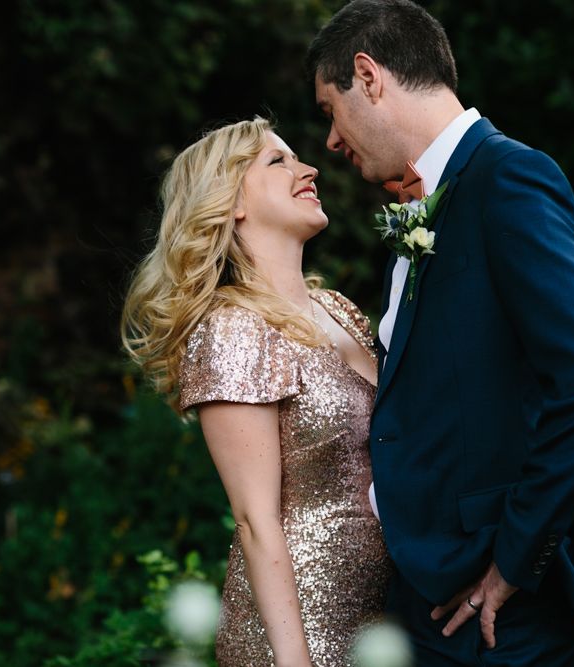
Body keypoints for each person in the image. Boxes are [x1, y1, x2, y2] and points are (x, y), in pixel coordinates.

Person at [306, 1, 574, 666]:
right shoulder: (421, 204)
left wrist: (516, 558)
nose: (331, 141)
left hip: (498, 609)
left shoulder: (507, 178)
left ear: (368, 75)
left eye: (328, 110)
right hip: (426, 596)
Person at [121, 117, 391, 667]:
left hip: (386, 617)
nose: (308, 168)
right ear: (231, 202)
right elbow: (254, 519)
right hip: (302, 631)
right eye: (278, 161)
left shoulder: (340, 310)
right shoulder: (232, 327)